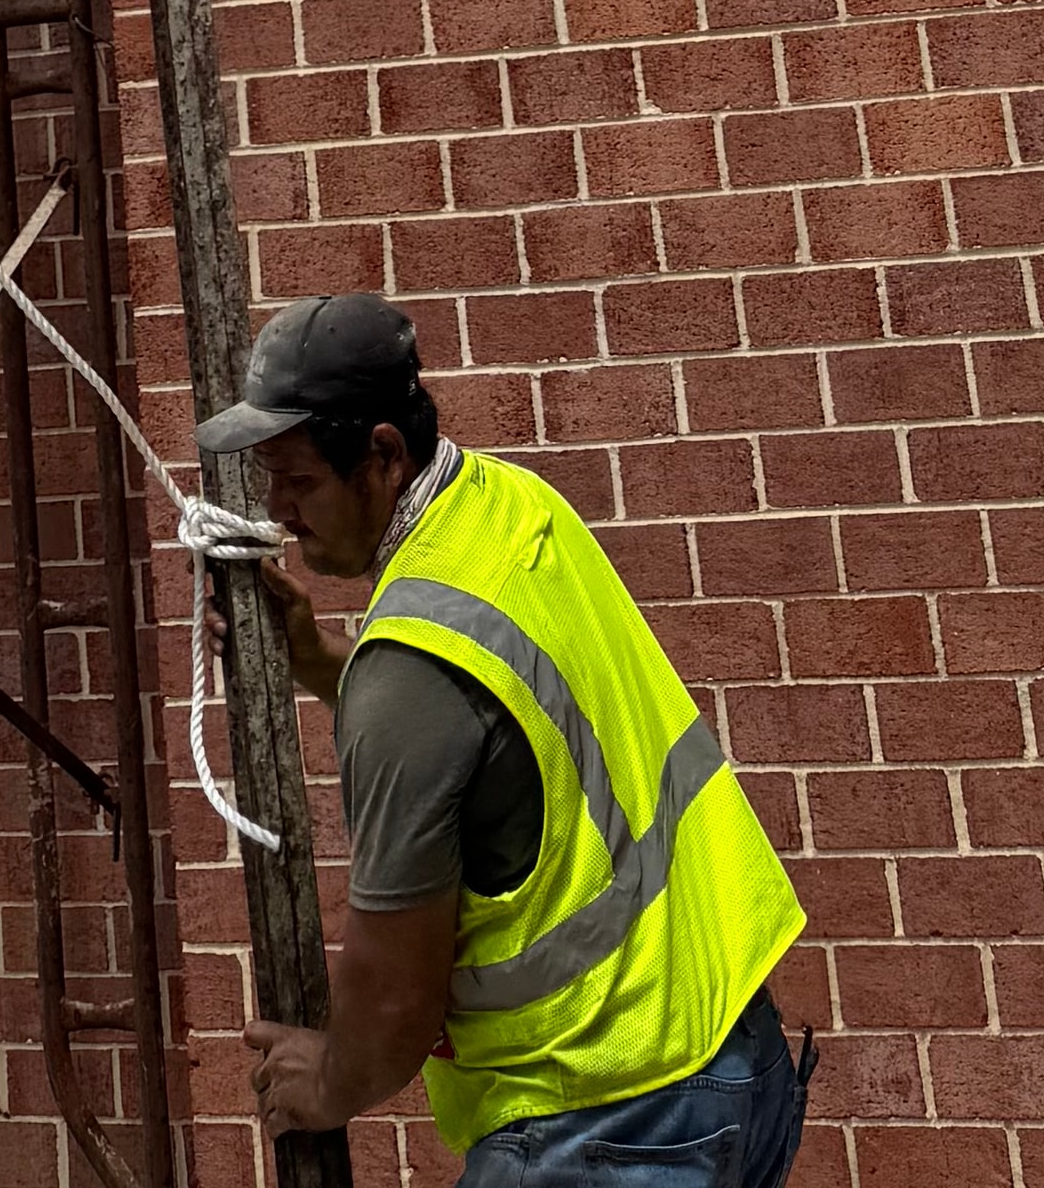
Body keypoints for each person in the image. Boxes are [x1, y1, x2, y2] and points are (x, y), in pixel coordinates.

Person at [213, 291, 818, 1188]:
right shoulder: (508, 505)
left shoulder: (409, 672)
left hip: (606, 1116)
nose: (280, 510)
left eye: (298, 481)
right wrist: (320, 659)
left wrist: (331, 1079)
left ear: (383, 453)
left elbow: (397, 1002)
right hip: (736, 1058)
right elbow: (495, 738)